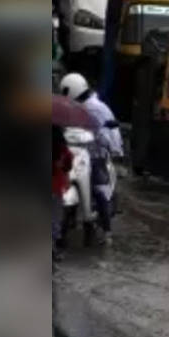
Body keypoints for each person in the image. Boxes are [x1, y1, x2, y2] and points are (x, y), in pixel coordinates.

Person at [61, 72, 122, 243]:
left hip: (95, 154)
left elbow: (109, 132)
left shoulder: (96, 108)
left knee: (98, 189)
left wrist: (110, 147)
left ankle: (107, 233)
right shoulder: (75, 107)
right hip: (75, 151)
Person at [52, 126, 73, 260]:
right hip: (55, 188)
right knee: (54, 219)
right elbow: (68, 166)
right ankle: (52, 248)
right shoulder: (62, 149)